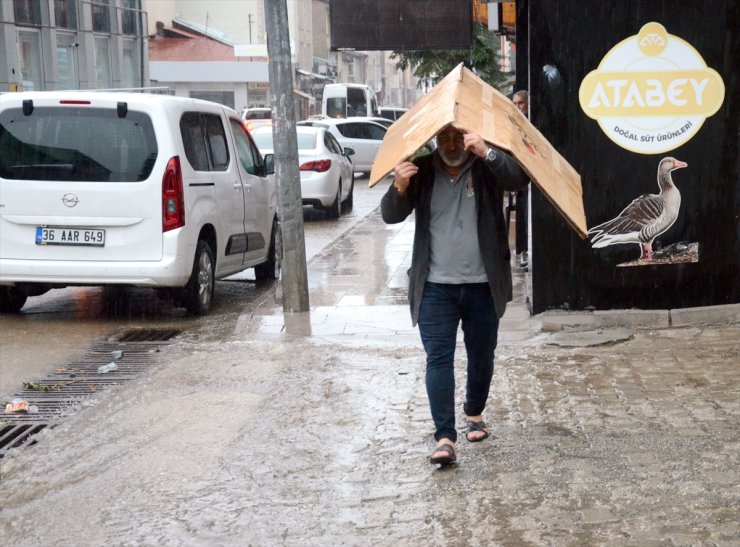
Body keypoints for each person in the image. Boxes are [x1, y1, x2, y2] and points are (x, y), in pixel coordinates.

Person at [381, 125, 529, 465]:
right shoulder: (422, 169)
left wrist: (487, 152)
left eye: (457, 138)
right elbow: (391, 214)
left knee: (482, 355)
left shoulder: (485, 166)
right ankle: (445, 437)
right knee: (438, 359)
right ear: (435, 140)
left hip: (483, 283)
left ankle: (474, 412)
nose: (451, 146)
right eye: (444, 139)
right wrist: (399, 185)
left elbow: (519, 179)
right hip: (434, 286)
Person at [511, 90, 530, 270]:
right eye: (515, 104)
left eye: (520, 104)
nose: (517, 107)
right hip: (520, 178)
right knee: (522, 214)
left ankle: (527, 252)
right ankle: (524, 252)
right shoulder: (514, 123)